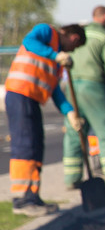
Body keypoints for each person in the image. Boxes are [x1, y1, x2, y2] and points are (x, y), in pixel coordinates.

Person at [4, 23, 86, 216]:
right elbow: (28, 41)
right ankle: (22, 200)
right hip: (20, 94)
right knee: (25, 145)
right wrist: (55, 55)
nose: (70, 51)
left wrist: (69, 112)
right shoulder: (46, 32)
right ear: (74, 38)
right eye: (74, 48)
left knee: (36, 146)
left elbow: (55, 90)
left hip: (31, 99)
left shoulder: (56, 60)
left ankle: (33, 195)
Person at [63, 5, 105, 189]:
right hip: (95, 87)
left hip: (72, 87)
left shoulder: (80, 34)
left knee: (74, 132)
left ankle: (71, 178)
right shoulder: (104, 36)